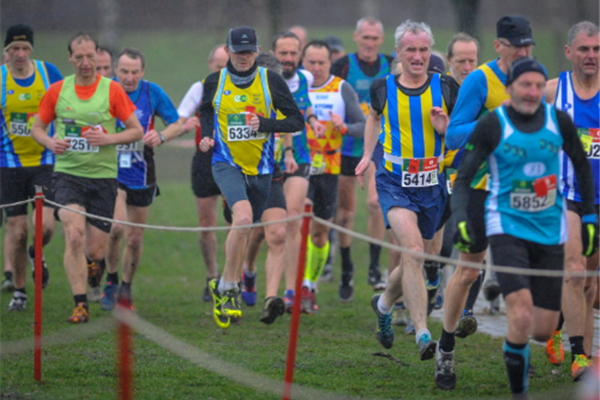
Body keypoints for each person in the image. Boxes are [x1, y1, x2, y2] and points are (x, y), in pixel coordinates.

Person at [451, 56, 597, 399]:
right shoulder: (493, 124)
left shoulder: (558, 121)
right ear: (511, 88)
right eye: (524, 85)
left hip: (548, 230)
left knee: (544, 330)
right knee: (519, 312)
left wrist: (588, 216)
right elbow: (464, 177)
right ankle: (520, 392)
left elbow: (581, 164)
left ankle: (517, 343)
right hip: (507, 226)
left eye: (537, 85)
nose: (531, 92)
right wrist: (460, 217)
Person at [436, 15, 536, 390]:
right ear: (499, 47)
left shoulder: (533, 74)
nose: (523, 53)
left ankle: (519, 358)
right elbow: (454, 135)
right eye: (516, 47)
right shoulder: (481, 79)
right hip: (480, 186)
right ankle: (446, 349)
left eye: (528, 46)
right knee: (468, 271)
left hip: (519, 190)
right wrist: (497, 117)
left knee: (518, 275)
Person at [356, 20, 458, 361]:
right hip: (394, 181)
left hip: (433, 183)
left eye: (424, 50)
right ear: (398, 53)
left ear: (432, 52)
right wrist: (367, 157)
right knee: (412, 250)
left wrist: (446, 131)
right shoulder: (382, 87)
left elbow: (461, 132)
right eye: (411, 50)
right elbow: (373, 117)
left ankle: (384, 304)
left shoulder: (446, 87)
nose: (418, 56)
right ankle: (422, 332)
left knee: (424, 253)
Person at [31, 32, 143, 323]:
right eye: (78, 57)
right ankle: (80, 305)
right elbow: (37, 127)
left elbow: (136, 131)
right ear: (69, 58)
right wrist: (50, 142)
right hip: (68, 175)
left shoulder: (112, 90)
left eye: (90, 56)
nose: (85, 62)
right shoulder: (58, 90)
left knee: (95, 249)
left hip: (103, 178)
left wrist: (107, 139)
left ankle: (94, 268)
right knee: (74, 235)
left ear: (97, 56)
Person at [198, 26, 304, 329]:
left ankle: (224, 284)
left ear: (256, 51)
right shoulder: (214, 81)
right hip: (226, 163)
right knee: (242, 220)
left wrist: (265, 124)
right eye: (237, 51)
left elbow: (295, 120)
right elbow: (206, 112)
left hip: (262, 169)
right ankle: (229, 287)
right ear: (228, 51)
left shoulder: (271, 80)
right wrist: (207, 137)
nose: (243, 57)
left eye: (248, 51)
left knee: (247, 228)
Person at [101, 47, 182, 311]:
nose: (129, 77)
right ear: (116, 69)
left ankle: (126, 287)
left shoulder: (152, 92)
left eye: (135, 72)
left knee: (134, 240)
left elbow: (176, 123)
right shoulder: (105, 89)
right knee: (115, 229)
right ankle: (110, 282)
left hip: (142, 173)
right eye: (124, 71)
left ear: (142, 72)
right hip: (111, 172)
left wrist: (161, 136)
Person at [544, 21, 599, 381]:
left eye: (596, 50)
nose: (591, 56)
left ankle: (559, 326)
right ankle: (580, 356)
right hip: (565, 196)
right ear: (569, 53)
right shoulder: (552, 91)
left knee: (592, 284)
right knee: (575, 271)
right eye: (584, 49)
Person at [259, 31, 325, 312]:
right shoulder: (262, 79)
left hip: (298, 157)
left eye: (292, 53)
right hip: (263, 161)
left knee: (293, 223)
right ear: (273, 53)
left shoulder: (305, 79)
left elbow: (303, 103)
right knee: (264, 232)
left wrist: (312, 120)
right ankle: (250, 273)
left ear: (300, 55)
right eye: (282, 53)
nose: (287, 59)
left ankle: (290, 292)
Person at [298, 39, 365, 312]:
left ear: (330, 63)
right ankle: (294, 286)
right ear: (303, 63)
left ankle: (309, 285)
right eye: (311, 62)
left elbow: (362, 124)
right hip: (297, 169)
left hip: (327, 170)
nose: (316, 68)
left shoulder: (341, 87)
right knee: (292, 228)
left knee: (319, 234)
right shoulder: (293, 87)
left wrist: (345, 127)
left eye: (321, 63)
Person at [1, 24, 63, 311]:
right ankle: (21, 291)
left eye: (25, 48)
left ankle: (36, 254)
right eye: (15, 48)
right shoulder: (0, 79)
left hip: (46, 161)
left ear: (32, 51)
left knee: (46, 226)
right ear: (6, 52)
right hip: (9, 164)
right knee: (18, 229)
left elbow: (69, 103)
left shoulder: (48, 74)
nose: (20, 54)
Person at [332, 17, 394, 293]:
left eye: (374, 38)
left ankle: (373, 266)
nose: (369, 43)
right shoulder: (343, 66)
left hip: (380, 147)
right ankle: (346, 267)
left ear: (381, 40)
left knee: (374, 204)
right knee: (345, 213)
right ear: (356, 37)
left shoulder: (392, 65)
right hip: (347, 147)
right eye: (365, 37)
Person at [177, 43, 228, 302]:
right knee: (206, 224)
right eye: (218, 66)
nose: (222, 71)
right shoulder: (200, 87)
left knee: (235, 224)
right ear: (210, 65)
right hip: (205, 161)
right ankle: (211, 276)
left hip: (234, 161)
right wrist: (187, 123)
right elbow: (178, 118)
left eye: (226, 66)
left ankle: (232, 280)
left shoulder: (241, 88)